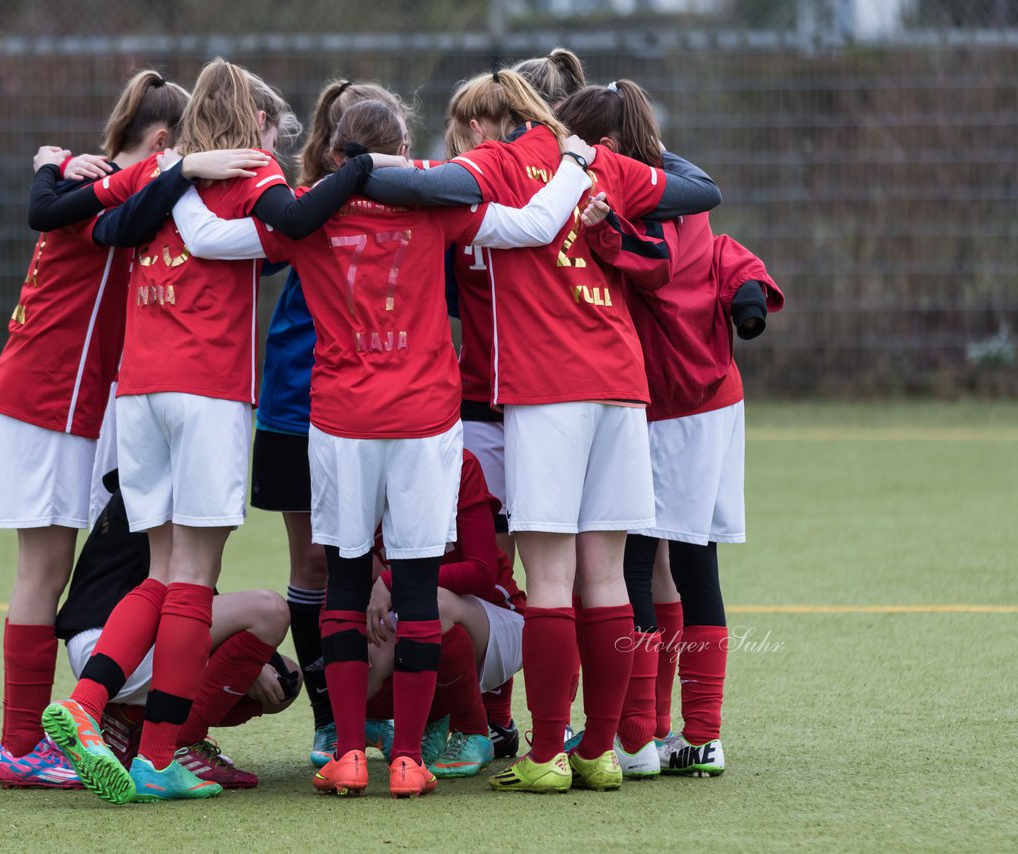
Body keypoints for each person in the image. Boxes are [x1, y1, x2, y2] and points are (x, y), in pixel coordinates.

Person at [171, 97, 597, 797]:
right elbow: (536, 224)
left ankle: (344, 752)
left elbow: (208, 240)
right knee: (419, 586)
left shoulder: (305, 211)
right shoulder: (436, 204)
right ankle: (406, 759)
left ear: (335, 155)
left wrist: (176, 174)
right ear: (404, 150)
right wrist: (576, 164)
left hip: (339, 421)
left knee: (340, 582)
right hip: (425, 422)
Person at [34, 58, 388, 805]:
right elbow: (280, 231)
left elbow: (99, 223)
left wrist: (69, 165)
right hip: (206, 392)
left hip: (140, 394)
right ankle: (158, 754)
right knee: (192, 578)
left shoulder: (161, 171)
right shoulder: (252, 173)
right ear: (257, 121)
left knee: (162, 572)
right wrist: (351, 181)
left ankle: (85, 704)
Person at [358, 69, 720, 793]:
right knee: (610, 573)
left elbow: (416, 190)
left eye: (464, 127)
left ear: (483, 126)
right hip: (622, 386)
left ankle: (549, 752)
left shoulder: (493, 164)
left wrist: (354, 171)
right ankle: (602, 750)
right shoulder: (597, 160)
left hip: (548, 389)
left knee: (550, 576)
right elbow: (696, 189)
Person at [556, 79, 784, 778]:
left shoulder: (630, 207)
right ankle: (701, 735)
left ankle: (637, 738)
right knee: (692, 563)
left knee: (630, 564)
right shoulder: (684, 198)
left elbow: (642, 266)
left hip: (657, 406)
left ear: (610, 148)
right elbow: (721, 257)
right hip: (716, 401)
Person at [0, 69, 189, 790]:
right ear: (161, 143)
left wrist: (55, 164)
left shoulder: (86, 178)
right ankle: (18, 746)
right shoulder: (111, 186)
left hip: (62, 400)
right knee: (42, 569)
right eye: (179, 152)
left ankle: (71, 726)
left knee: (60, 565)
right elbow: (100, 212)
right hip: (49, 399)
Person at [252, 79, 413, 768]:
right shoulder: (307, 203)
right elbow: (267, 241)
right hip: (300, 399)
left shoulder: (419, 201)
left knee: (392, 557)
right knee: (317, 559)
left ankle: (402, 716)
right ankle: (329, 719)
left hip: (391, 402)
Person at [54, 470, 302, 789]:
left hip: (104, 652)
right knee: (269, 610)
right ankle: (175, 748)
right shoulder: (171, 492)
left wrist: (255, 661)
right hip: (116, 649)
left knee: (285, 678)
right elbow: (183, 594)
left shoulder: (147, 483)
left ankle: (124, 724)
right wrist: (250, 665)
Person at [362, 449, 527, 780]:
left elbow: (482, 573)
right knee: (351, 657)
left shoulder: (459, 462)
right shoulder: (366, 469)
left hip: (496, 622)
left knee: (431, 603)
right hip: (416, 617)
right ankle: (429, 719)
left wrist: (392, 579)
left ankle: (473, 731)